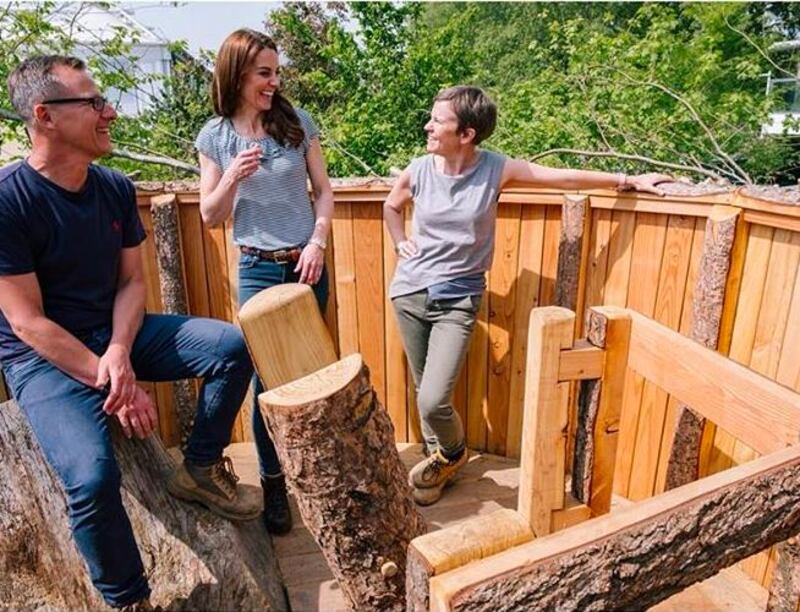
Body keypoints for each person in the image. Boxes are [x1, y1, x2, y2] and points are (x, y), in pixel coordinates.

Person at [0, 55, 261, 610]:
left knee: (231, 347)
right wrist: (110, 379)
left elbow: (132, 283)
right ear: (45, 116)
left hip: (115, 331)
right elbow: (26, 322)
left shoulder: (115, 187)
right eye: (94, 103)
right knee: (91, 481)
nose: (110, 112)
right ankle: (128, 599)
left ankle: (199, 468)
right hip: (40, 359)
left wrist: (118, 352)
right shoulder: (8, 200)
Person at [384, 85, 671, 506]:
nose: (427, 125)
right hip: (409, 292)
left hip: (458, 299)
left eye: (437, 120)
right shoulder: (419, 169)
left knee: (432, 398)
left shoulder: (495, 170)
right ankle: (438, 464)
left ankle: (452, 454)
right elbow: (392, 206)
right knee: (422, 386)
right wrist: (398, 241)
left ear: (466, 134)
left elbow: (562, 176)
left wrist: (627, 180)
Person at [195, 29, 334, 535]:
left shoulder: (296, 123)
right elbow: (211, 216)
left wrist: (317, 242)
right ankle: (274, 481)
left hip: (306, 263)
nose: (274, 82)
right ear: (237, 74)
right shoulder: (216, 136)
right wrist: (232, 175)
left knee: (312, 371)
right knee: (267, 384)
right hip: (256, 268)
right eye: (264, 73)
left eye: (276, 72)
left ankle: (318, 475)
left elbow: (323, 192)